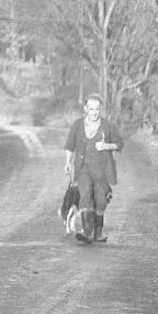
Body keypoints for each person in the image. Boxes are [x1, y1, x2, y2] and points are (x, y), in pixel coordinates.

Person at [63, 94, 123, 244]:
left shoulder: (108, 126)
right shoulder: (77, 125)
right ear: (85, 109)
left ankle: (98, 232)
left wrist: (106, 146)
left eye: (97, 109)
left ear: (100, 109)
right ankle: (87, 231)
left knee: (101, 200)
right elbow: (70, 146)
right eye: (91, 109)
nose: (94, 112)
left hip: (102, 170)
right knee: (85, 195)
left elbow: (119, 144)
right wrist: (68, 163)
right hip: (83, 169)